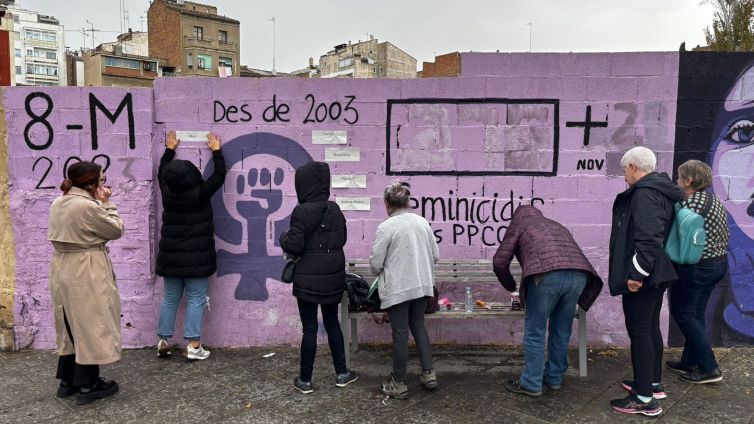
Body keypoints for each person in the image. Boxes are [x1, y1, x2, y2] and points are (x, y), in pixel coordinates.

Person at [493, 205, 603, 397]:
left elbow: (499, 262)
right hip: (579, 276)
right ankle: (554, 378)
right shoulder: (557, 225)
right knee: (561, 329)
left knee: (536, 331)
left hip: (547, 277)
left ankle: (531, 383)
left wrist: (510, 286)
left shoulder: (519, 225)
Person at [608, 146, 683, 417]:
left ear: (632, 167)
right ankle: (651, 383)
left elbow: (649, 239)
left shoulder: (644, 194)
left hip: (646, 275)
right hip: (660, 272)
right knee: (650, 327)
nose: (624, 175)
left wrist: (636, 275)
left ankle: (644, 398)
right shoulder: (661, 189)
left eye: (624, 169)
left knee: (639, 331)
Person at [48, 161, 124, 405]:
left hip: (62, 265)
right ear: (91, 183)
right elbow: (115, 230)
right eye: (101, 180)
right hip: (85, 266)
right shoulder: (86, 206)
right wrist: (107, 204)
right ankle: (88, 384)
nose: (103, 184)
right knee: (91, 322)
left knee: (71, 322)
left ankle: (67, 380)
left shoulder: (59, 202)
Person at [280, 161, 358, 394]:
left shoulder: (300, 211)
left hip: (307, 280)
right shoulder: (334, 209)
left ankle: (305, 380)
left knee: (310, 329)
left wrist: (283, 237)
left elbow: (294, 245)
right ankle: (342, 373)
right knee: (333, 323)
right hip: (332, 278)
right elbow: (342, 239)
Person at [155, 131, 226, 360]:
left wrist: (169, 149)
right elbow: (220, 175)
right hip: (197, 258)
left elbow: (161, 171)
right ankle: (193, 345)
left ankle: (163, 341)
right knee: (196, 298)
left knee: (169, 298)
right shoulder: (201, 193)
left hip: (171, 257)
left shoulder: (167, 192)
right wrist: (216, 150)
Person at [370, 181, 439, 400]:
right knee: (418, 326)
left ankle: (398, 383)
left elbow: (375, 264)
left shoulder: (386, 227)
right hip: (422, 286)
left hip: (399, 289)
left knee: (400, 334)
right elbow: (435, 255)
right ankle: (429, 374)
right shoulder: (422, 223)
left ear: (386, 203)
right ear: (408, 202)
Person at [667, 160, 729, 384]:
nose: (677, 181)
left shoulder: (690, 203)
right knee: (696, 313)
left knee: (683, 313)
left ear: (688, 181)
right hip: (718, 264)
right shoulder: (713, 199)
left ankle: (709, 367)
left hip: (697, 267)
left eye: (679, 177)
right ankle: (691, 360)